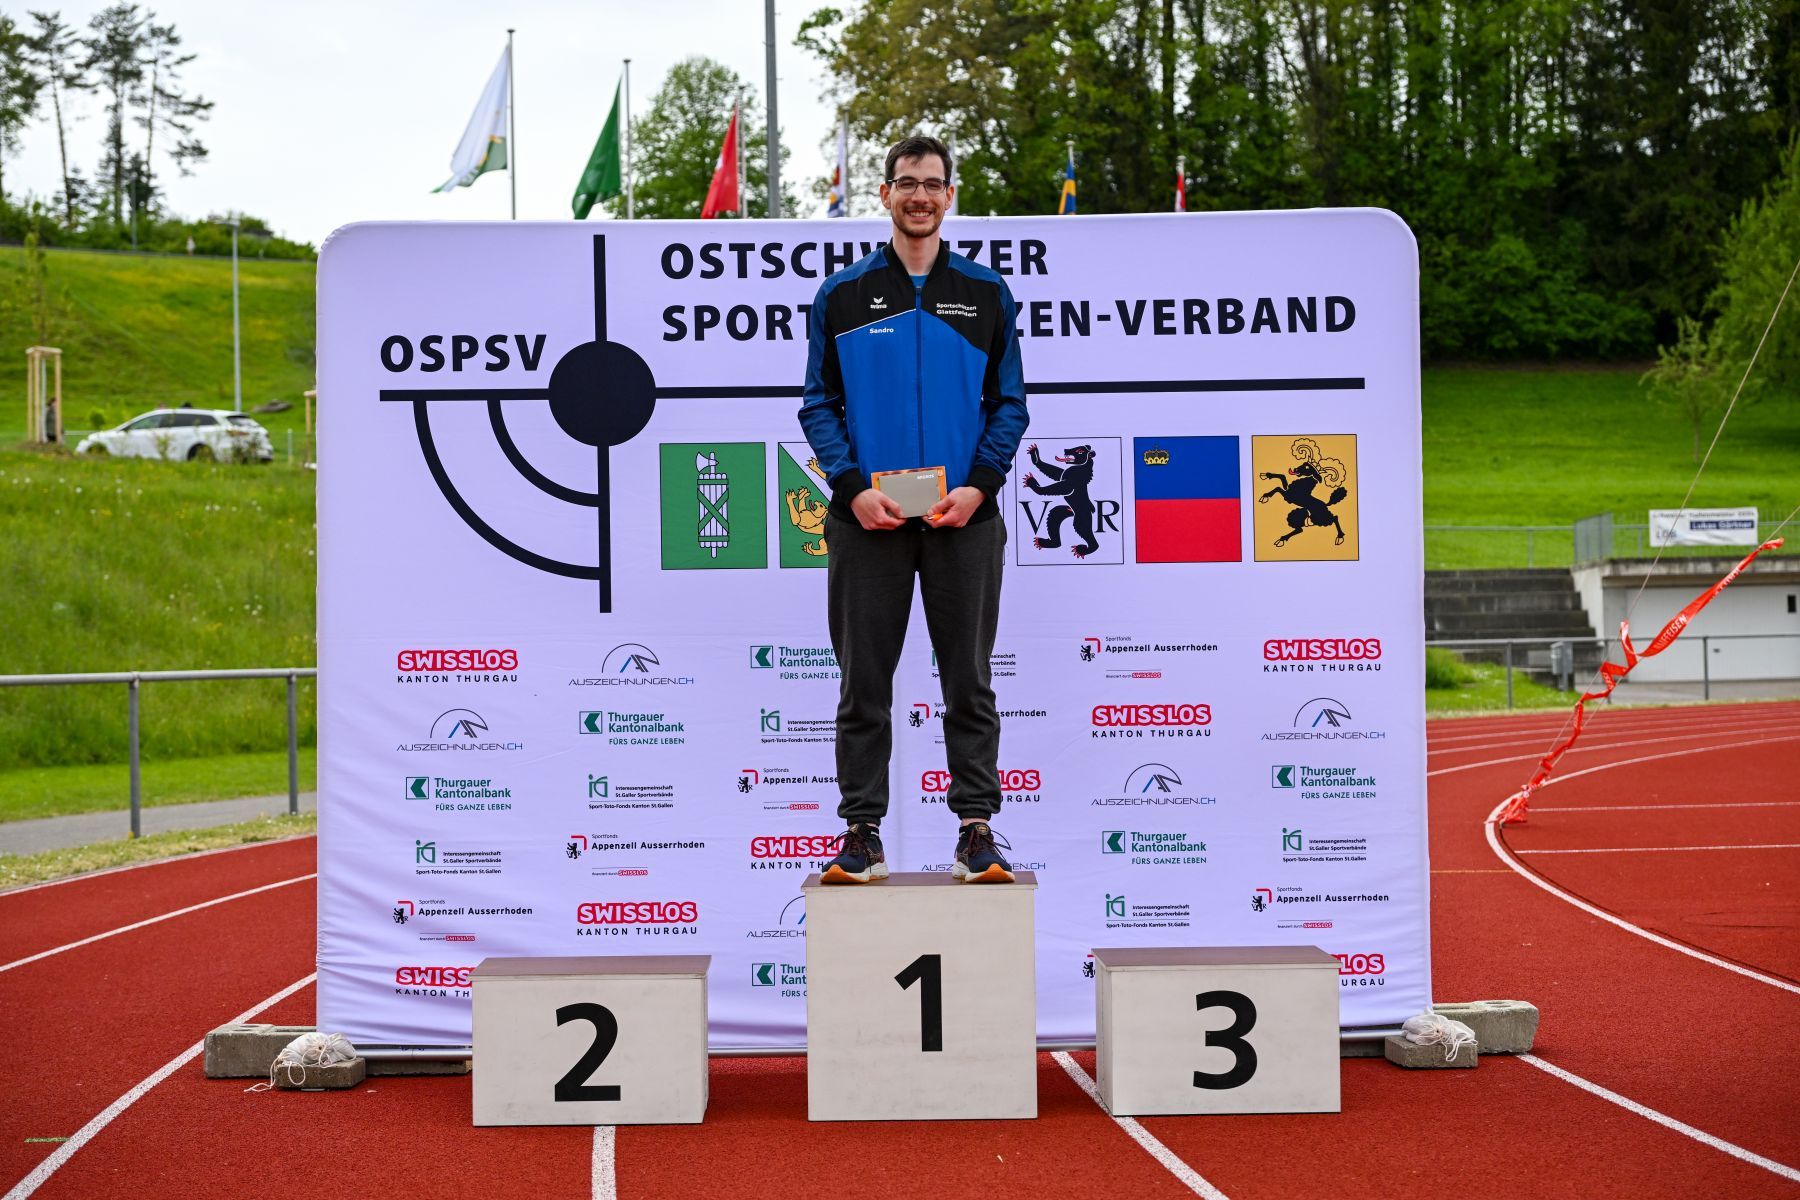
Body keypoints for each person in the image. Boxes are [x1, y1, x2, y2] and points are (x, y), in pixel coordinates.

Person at [799, 134, 1028, 885]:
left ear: (949, 195)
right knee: (864, 683)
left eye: (932, 183)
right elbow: (818, 405)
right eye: (907, 183)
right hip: (869, 520)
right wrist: (851, 489)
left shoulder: (986, 293)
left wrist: (980, 486)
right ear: (886, 195)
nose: (920, 196)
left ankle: (976, 831)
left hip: (964, 518)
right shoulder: (842, 295)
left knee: (968, 681)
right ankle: (861, 834)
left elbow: (1009, 405)